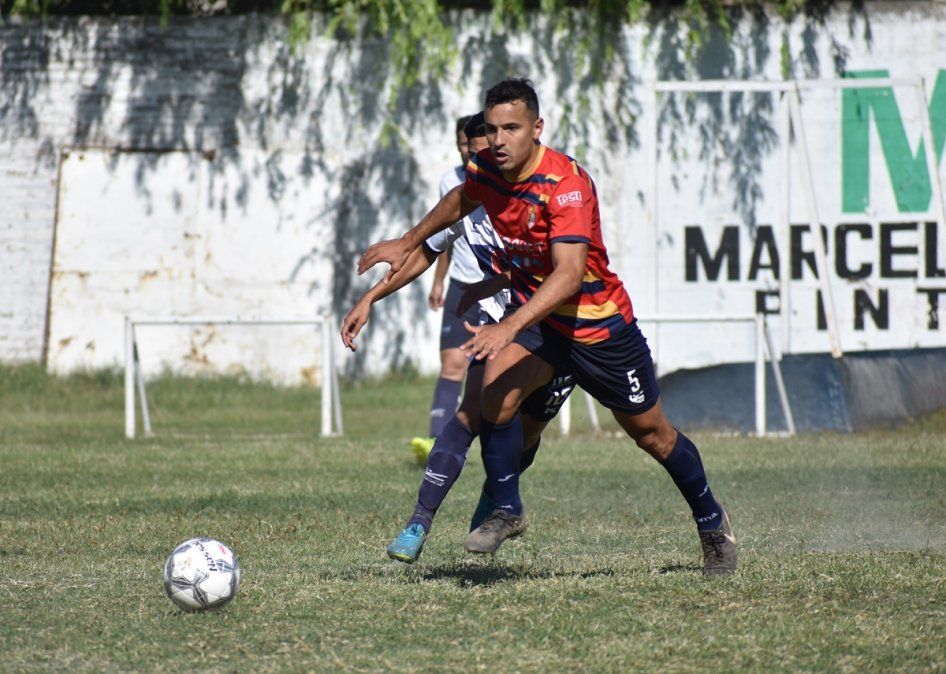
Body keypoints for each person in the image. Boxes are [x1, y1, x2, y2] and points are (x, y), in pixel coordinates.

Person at [357, 79, 737, 578]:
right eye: (492, 129)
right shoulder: (487, 170)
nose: (499, 140)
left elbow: (570, 275)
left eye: (512, 128)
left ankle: (713, 524)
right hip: (543, 325)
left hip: (598, 328)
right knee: (494, 395)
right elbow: (461, 198)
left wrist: (508, 325)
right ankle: (506, 510)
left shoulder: (566, 184)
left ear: (537, 128)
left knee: (654, 436)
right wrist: (407, 241)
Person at [342, 113, 576, 564]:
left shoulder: (538, 193)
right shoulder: (465, 197)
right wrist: (370, 297)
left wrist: (493, 283)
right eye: (471, 152)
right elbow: (424, 252)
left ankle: (495, 507)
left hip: (555, 326)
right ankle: (418, 523)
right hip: (497, 324)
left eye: (487, 150)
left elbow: (559, 267)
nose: (480, 159)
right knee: (470, 413)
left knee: (525, 433)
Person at [409, 116, 486, 465]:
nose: (466, 150)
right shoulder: (450, 181)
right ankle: (435, 442)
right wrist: (439, 281)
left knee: (495, 371)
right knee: (452, 363)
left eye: (471, 144)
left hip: (496, 287)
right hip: (461, 284)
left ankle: (494, 444)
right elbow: (447, 236)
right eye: (461, 144)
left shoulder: (500, 182)